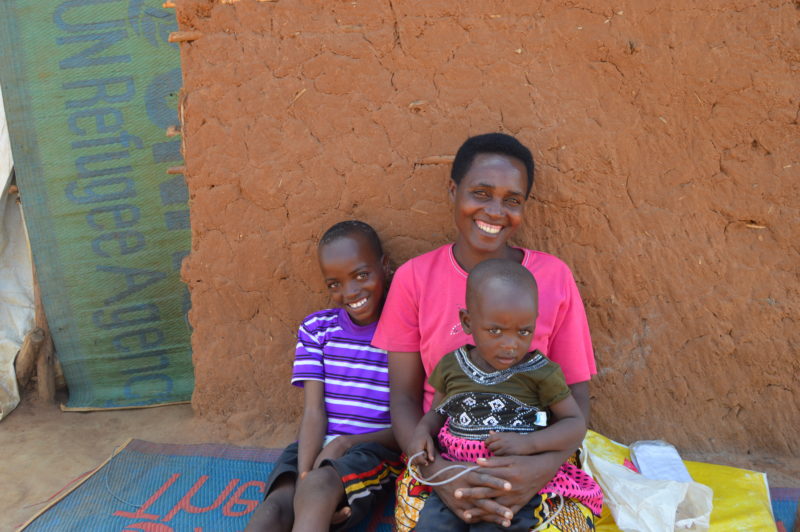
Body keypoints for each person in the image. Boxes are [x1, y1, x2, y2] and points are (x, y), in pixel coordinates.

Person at [372, 133, 598, 531]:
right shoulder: (414, 279)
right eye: (481, 193)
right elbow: (405, 397)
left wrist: (538, 470)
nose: (495, 211)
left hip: (535, 454)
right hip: (444, 456)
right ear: (454, 191)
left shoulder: (554, 277)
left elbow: (575, 397)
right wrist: (442, 475)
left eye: (513, 200)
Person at [406, 259, 602, 530]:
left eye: (524, 332)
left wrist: (529, 444)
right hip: (457, 475)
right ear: (467, 322)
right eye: (495, 331)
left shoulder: (540, 372)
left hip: (516, 482)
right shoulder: (452, 365)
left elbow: (574, 424)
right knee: (432, 526)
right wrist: (421, 432)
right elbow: (438, 412)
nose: (511, 345)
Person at [245, 221, 401, 532]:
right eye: (335, 284)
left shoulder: (402, 332)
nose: (351, 292)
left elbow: (404, 424)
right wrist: (304, 476)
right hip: (313, 447)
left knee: (317, 490)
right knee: (274, 510)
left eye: (361, 275)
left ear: (385, 267)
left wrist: (344, 443)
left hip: (370, 452)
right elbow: (314, 412)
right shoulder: (317, 329)